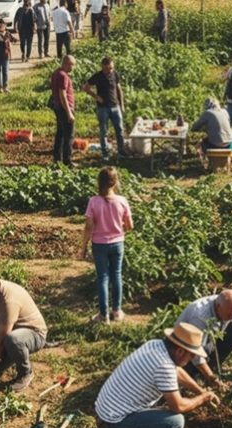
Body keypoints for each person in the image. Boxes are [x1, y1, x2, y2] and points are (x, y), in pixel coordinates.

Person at [95, 322, 220, 428]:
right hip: (113, 424)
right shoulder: (164, 366)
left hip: (105, 413)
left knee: (165, 401)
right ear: (180, 351)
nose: (192, 359)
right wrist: (203, 398)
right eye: (192, 355)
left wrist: (200, 391)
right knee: (175, 422)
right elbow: (178, 406)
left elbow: (177, 372)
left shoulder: (156, 344)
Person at [80, 167, 133, 324]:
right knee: (116, 275)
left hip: (99, 244)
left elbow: (88, 226)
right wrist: (119, 229)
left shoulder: (93, 201)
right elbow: (130, 225)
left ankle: (104, 316)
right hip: (118, 243)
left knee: (102, 277)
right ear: (115, 182)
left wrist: (83, 247)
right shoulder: (122, 201)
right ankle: (117, 311)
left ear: (99, 182)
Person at [176, 290, 232, 389]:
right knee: (189, 365)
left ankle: (209, 368)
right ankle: (197, 374)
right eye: (229, 315)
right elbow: (195, 354)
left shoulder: (230, 306)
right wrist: (212, 377)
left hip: (207, 344)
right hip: (184, 353)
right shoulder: (200, 317)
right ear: (218, 307)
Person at [83, 57, 126, 160]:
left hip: (115, 106)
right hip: (103, 108)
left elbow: (118, 88)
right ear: (102, 67)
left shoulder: (115, 74)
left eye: (111, 68)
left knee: (119, 130)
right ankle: (105, 154)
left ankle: (121, 151)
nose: (109, 71)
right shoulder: (98, 76)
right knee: (104, 131)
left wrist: (122, 104)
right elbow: (85, 87)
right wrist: (96, 97)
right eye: (107, 68)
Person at [192, 98, 232, 163]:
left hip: (217, 144)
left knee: (201, 143)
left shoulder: (207, 113)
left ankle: (205, 162)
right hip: (230, 143)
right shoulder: (225, 111)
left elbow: (195, 127)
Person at [51, 55, 76, 166]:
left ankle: (57, 158)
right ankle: (67, 160)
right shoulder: (63, 76)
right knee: (68, 135)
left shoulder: (56, 73)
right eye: (72, 65)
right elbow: (63, 94)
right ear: (66, 63)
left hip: (58, 107)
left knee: (60, 133)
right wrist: (69, 112)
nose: (73, 67)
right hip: (64, 108)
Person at [0, 20, 18, 93]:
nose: (1, 27)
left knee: (5, 72)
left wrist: (11, 55)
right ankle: (0, 88)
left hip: (5, 56)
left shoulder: (8, 34)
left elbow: (12, 43)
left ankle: (6, 87)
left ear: (5, 26)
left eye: (3, 25)